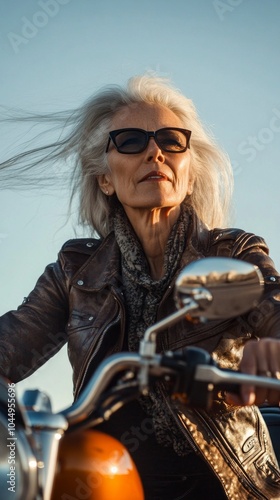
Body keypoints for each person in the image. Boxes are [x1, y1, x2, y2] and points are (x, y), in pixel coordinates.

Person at [1, 74, 280, 499]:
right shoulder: (76, 271)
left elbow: (274, 305)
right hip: (104, 478)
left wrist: (271, 351)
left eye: (171, 141)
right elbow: (9, 349)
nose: (155, 152)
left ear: (188, 170)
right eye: (131, 141)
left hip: (227, 483)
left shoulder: (232, 253)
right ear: (105, 179)